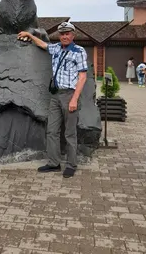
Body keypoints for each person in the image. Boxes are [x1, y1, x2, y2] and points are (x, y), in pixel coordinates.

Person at [17, 21, 87, 179]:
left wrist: (74, 99)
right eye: (62, 34)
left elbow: (82, 77)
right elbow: (43, 44)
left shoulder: (79, 51)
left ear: (73, 35)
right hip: (55, 96)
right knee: (52, 131)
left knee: (69, 133)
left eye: (67, 33)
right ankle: (54, 162)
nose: (64, 36)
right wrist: (29, 35)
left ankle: (71, 165)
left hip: (70, 94)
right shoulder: (56, 48)